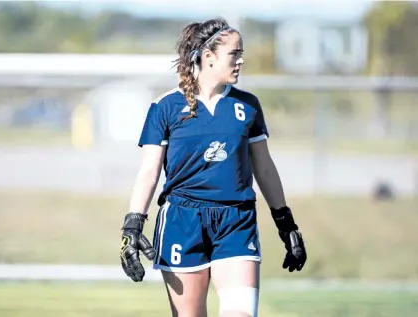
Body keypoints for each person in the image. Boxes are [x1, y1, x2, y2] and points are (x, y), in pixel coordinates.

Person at [119, 18, 307, 317]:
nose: (241, 60)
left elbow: (265, 168)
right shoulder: (165, 107)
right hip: (183, 221)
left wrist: (286, 222)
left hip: (237, 220)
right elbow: (150, 170)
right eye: (234, 53)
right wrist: (133, 225)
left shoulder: (248, 106)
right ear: (209, 57)